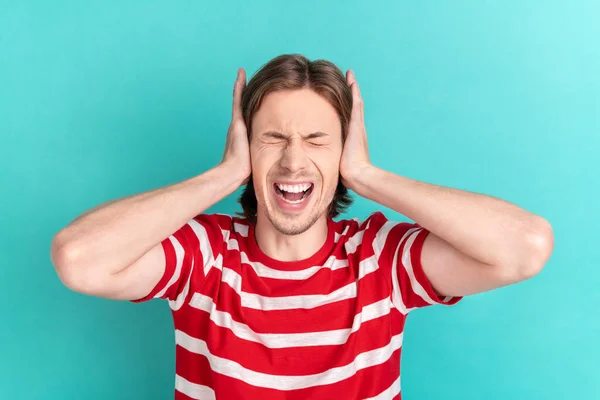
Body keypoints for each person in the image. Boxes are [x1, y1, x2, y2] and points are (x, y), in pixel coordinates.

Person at [50, 54, 554, 399]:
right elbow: (78, 259)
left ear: (343, 150)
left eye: (317, 140)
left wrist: (368, 176)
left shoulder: (379, 258)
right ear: (246, 145)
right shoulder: (205, 254)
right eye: (273, 138)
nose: (293, 161)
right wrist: (223, 175)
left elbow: (525, 247)